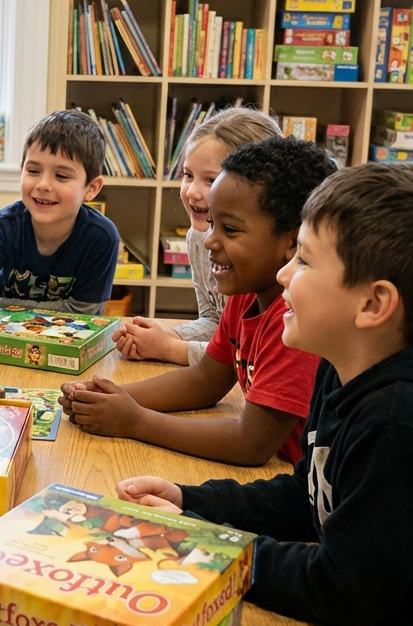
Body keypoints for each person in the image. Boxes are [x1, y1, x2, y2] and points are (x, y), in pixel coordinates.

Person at [117, 163, 413, 626]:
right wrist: (191, 503)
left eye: (305, 259)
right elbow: (308, 496)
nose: (286, 274)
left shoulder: (402, 424)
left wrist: (208, 554)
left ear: (373, 305)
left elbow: (344, 588)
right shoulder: (341, 366)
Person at [60, 137, 337, 465]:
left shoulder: (297, 321)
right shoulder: (247, 293)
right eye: (211, 224)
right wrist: (107, 397)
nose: (209, 241)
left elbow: (251, 445)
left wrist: (134, 420)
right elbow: (206, 380)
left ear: (292, 241)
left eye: (230, 230)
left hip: (293, 486)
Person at [115, 107, 280, 365]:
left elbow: (250, 354)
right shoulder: (197, 238)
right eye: (188, 175)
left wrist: (169, 348)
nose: (192, 191)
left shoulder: (265, 258)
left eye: (211, 180)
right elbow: (216, 321)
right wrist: (168, 335)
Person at [0, 109, 119, 318]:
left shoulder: (101, 237)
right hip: (3, 339)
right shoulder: (3, 225)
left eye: (61, 176)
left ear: (91, 188)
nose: (43, 184)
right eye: (33, 171)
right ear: (22, 171)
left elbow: (82, 313)